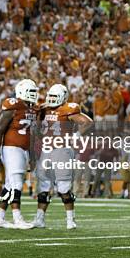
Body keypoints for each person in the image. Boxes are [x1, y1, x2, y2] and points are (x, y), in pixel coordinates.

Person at [33, 84, 93, 230]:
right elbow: (38, 128)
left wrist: (76, 135)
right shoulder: (44, 108)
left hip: (62, 150)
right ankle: (40, 218)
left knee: (63, 187)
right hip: (47, 149)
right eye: (50, 96)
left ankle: (70, 219)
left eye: (55, 97)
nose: (52, 99)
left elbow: (88, 122)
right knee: (44, 186)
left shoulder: (69, 109)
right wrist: (40, 135)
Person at [0, 79, 39, 230]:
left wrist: (32, 156)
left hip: (23, 149)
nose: (34, 95)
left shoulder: (31, 109)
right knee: (17, 184)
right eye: (31, 92)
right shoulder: (13, 105)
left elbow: (31, 135)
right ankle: (17, 218)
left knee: (10, 184)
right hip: (11, 148)